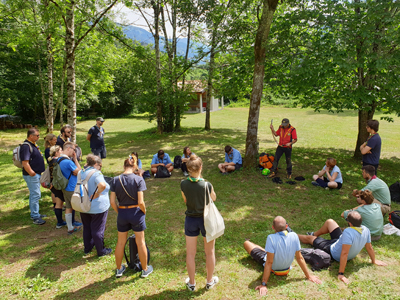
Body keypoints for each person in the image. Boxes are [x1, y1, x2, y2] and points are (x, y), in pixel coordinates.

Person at [298, 212, 387, 284]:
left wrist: (341, 274)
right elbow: (369, 247)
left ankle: (292, 235)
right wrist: (374, 261)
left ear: (350, 223)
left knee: (309, 239)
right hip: (339, 242)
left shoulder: (348, 232)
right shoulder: (366, 229)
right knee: (330, 222)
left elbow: (344, 253)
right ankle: (314, 234)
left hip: (333, 251)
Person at [244, 216, 321, 296]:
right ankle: (264, 250)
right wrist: (308, 276)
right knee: (265, 250)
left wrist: (264, 284)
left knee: (247, 243)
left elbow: (269, 262)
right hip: (286, 269)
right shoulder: (294, 236)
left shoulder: (271, 238)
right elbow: (299, 257)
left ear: (273, 227)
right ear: (286, 226)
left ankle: (253, 244)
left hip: (274, 269)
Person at [110, 156, 153, 278]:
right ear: (134, 167)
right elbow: (141, 202)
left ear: (124, 166)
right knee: (141, 242)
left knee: (120, 242)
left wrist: (119, 212)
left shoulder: (115, 180)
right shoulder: (138, 180)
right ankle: (145, 270)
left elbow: (112, 202)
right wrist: (144, 212)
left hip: (122, 213)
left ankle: (119, 269)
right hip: (136, 213)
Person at [181, 155, 219, 291]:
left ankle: (191, 283)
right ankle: (209, 281)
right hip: (206, 221)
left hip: (190, 220)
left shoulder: (183, 184)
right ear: (201, 167)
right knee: (210, 252)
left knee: (190, 253)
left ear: (188, 169)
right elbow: (213, 198)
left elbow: (186, 201)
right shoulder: (207, 185)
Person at [80, 154, 112, 257]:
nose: (101, 168)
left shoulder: (81, 172)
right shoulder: (96, 173)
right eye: (100, 166)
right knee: (98, 229)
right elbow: (102, 185)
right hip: (97, 207)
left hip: (84, 205)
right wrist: (97, 193)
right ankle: (101, 250)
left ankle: (87, 248)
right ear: (96, 164)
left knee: (87, 228)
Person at [20, 128, 46, 225]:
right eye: (37, 135)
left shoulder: (32, 144)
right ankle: (35, 216)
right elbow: (25, 162)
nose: (39, 137)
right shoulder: (26, 146)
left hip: (36, 174)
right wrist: (32, 173)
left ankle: (36, 213)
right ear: (31, 136)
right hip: (32, 175)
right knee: (35, 194)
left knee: (35, 194)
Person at [58, 142, 83, 234]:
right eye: (73, 149)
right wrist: (75, 160)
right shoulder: (68, 162)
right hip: (72, 188)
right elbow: (80, 172)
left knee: (69, 207)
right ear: (68, 149)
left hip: (65, 187)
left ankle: (70, 227)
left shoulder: (59, 160)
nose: (74, 152)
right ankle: (87, 223)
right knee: (81, 205)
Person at [48, 145, 66, 229]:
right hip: (60, 184)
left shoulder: (51, 161)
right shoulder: (58, 161)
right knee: (65, 203)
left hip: (54, 184)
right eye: (61, 150)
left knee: (58, 204)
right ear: (57, 152)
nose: (62, 152)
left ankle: (59, 222)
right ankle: (69, 221)